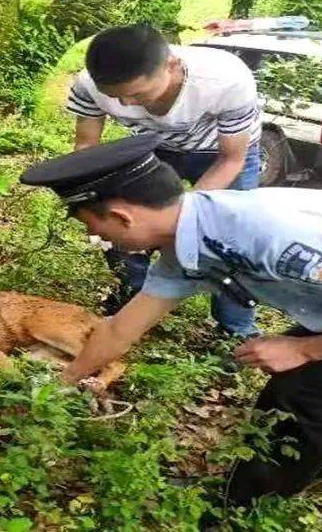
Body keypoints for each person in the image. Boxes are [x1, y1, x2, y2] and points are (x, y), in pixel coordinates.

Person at [20, 134, 322, 505]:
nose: (99, 241)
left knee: (308, 387)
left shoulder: (272, 237)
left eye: (94, 228)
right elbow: (120, 328)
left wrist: (303, 349)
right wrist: (62, 383)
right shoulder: (192, 236)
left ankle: (241, 506)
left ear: (122, 217)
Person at [66, 24, 261, 335]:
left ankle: (235, 331)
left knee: (231, 240)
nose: (127, 104)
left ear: (170, 64)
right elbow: (86, 148)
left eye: (137, 94)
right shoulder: (88, 85)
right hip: (153, 148)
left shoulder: (227, 80)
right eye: (115, 97)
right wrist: (97, 201)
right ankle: (134, 307)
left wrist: (183, 217)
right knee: (120, 222)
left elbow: (232, 159)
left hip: (220, 152)